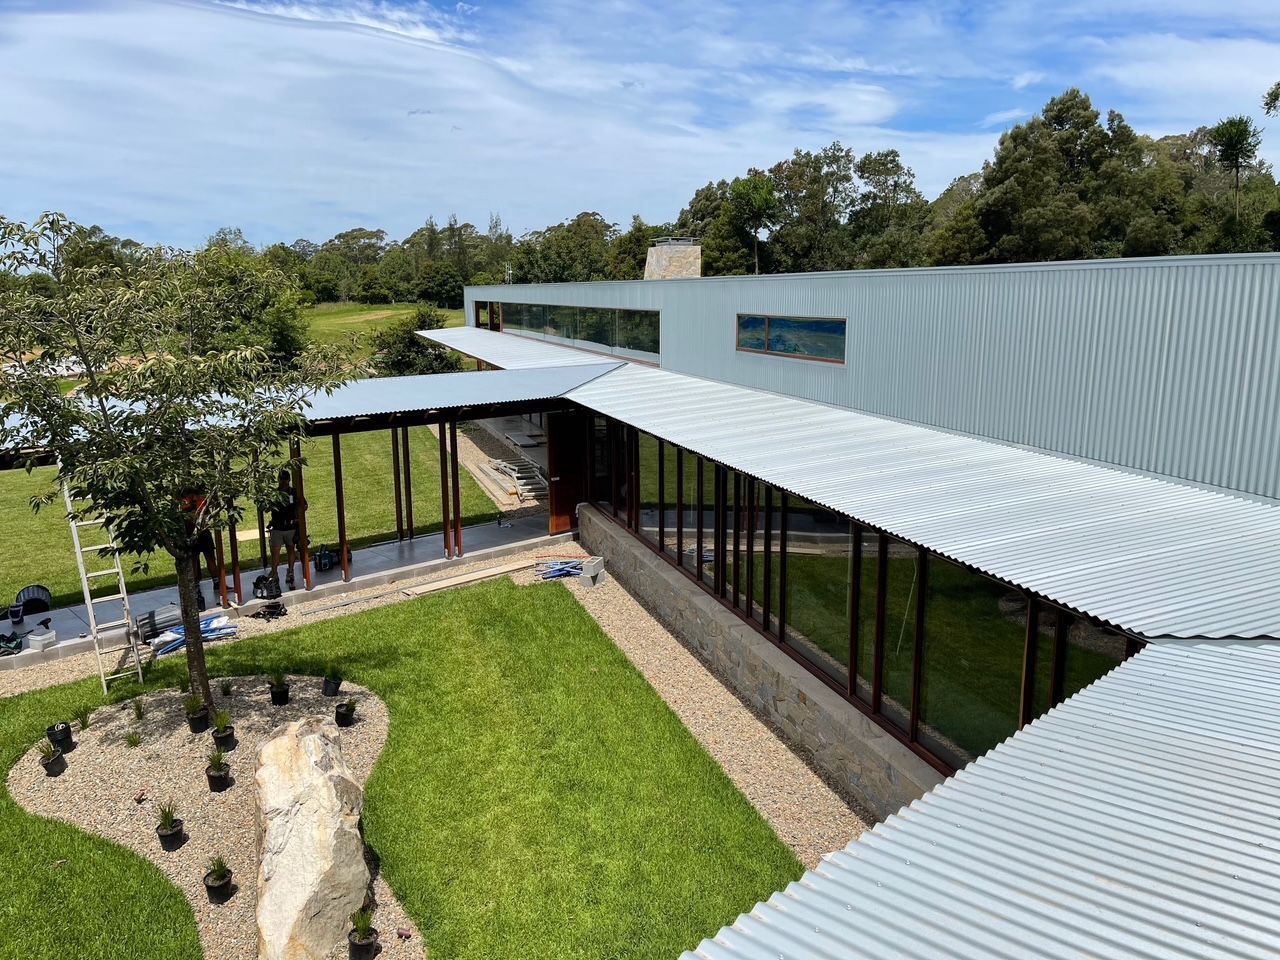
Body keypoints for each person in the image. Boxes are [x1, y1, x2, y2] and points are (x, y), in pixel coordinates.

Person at [179, 490, 220, 596]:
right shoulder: (198, 499)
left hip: (196, 533)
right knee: (206, 559)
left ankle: (202, 585)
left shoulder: (186, 501)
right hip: (201, 532)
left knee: (201, 559)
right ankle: (215, 583)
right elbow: (208, 514)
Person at [268, 469, 304, 589]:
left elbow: (304, 505)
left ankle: (291, 571)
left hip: (291, 527)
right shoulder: (274, 493)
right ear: (279, 480)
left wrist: (297, 516)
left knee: (290, 549)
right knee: (275, 551)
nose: (284, 482)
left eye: (286, 480)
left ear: (289, 480)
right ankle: (274, 572)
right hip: (277, 527)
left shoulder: (294, 492)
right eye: (282, 480)